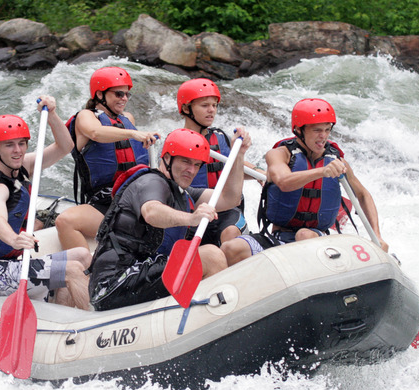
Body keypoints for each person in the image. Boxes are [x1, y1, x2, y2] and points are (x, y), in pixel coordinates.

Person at [88, 128, 251, 311]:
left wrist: (239, 155)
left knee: (207, 255)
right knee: (210, 256)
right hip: (113, 283)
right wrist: (192, 218)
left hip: (144, 272)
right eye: (185, 161)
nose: (191, 170)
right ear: (166, 158)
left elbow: (230, 199)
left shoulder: (182, 192)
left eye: (197, 165)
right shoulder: (150, 182)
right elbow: (151, 211)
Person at [0, 96, 91, 310]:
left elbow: (65, 146)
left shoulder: (22, 167)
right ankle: (88, 322)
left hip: (14, 264)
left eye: (21, 143)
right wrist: (14, 239)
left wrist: (53, 114)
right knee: (72, 269)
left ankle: (62, 314)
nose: (17, 150)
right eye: (9, 145)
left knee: (82, 255)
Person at [221, 98, 388, 267]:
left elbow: (362, 195)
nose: (323, 136)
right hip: (277, 238)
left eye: (327, 130)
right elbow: (284, 182)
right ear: (299, 130)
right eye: (317, 130)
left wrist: (377, 235)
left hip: (317, 239)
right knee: (230, 248)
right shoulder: (278, 154)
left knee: (304, 235)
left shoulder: (337, 161)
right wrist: (322, 172)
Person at [55, 66, 160, 250]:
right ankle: (86, 272)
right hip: (105, 203)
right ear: (99, 94)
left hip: (136, 198)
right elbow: (95, 133)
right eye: (119, 94)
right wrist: (134, 134)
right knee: (65, 221)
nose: (124, 99)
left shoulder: (127, 118)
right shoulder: (85, 116)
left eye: (127, 95)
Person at [177, 78, 265, 246]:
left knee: (231, 234)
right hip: (194, 211)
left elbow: (232, 165)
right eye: (204, 105)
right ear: (187, 108)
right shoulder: (177, 142)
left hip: (226, 210)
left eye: (214, 105)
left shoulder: (219, 136)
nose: (211, 110)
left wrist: (258, 172)